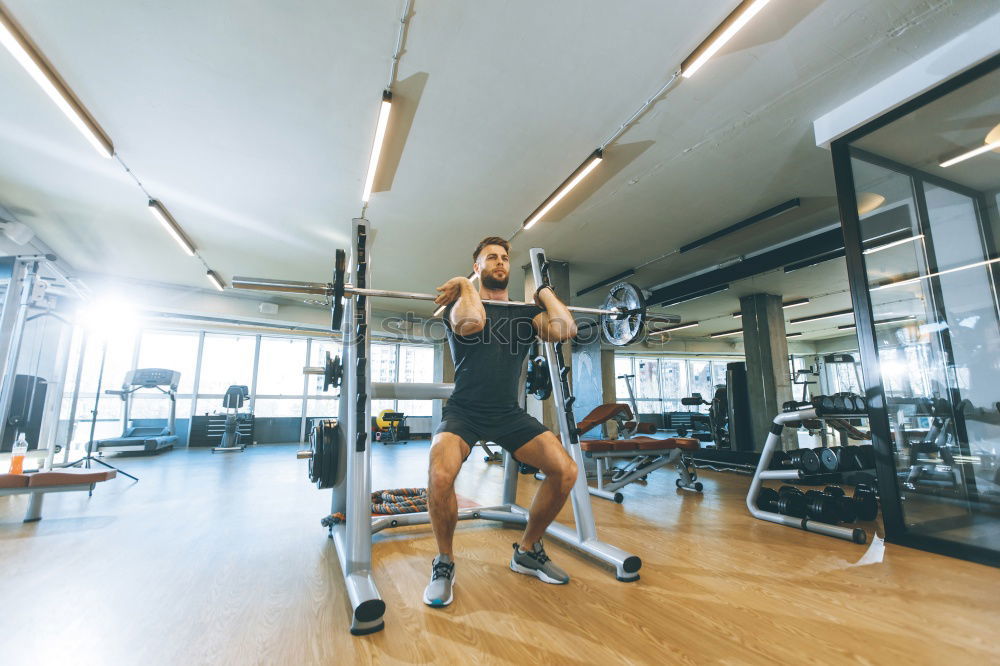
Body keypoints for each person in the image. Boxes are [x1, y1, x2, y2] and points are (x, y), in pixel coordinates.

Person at [423, 236, 579, 607]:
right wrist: (463, 285)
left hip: (507, 413)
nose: (501, 262)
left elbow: (565, 330)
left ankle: (527, 550)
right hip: (464, 411)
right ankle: (444, 561)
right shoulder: (457, 305)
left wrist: (543, 292)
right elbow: (473, 324)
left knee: (565, 471)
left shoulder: (527, 314)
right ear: (477, 267)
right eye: (491, 257)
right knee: (440, 474)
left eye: (505, 258)